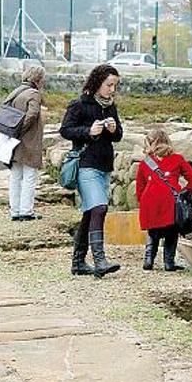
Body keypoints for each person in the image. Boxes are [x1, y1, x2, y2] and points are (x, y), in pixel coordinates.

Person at [60, 64, 123, 278]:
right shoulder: (79, 104)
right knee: (100, 208)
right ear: (97, 83)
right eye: (109, 85)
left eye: (115, 85)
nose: (112, 90)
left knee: (90, 213)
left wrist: (114, 130)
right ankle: (100, 260)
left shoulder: (110, 106)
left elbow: (118, 137)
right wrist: (88, 131)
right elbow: (65, 130)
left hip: (104, 165)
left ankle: (78, 263)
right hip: (86, 163)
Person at [135, 128, 192, 271]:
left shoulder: (145, 163)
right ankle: (169, 263)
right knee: (172, 230)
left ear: (150, 143)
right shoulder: (177, 159)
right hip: (171, 199)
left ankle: (148, 259)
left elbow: (139, 189)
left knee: (153, 231)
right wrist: (184, 193)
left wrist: (143, 203)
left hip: (149, 200)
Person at [7, 66, 45, 221]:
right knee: (29, 176)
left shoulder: (15, 92)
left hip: (14, 141)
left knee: (15, 176)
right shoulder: (34, 94)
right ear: (38, 79)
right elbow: (33, 113)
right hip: (29, 140)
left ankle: (15, 210)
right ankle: (26, 211)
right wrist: (21, 129)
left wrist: (13, 131)